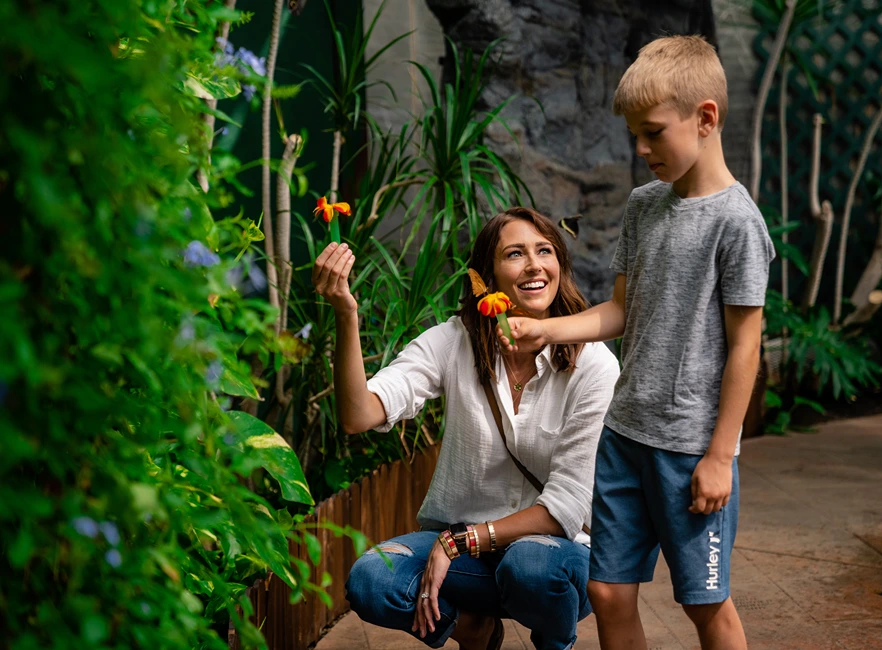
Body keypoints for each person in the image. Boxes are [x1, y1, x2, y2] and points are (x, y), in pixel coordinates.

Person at [499, 36, 775, 650]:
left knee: (706, 604)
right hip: (624, 438)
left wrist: (719, 456)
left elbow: (746, 349)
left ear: (705, 118)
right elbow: (621, 310)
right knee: (607, 592)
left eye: (653, 132)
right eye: (634, 136)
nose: (642, 149)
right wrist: (547, 328)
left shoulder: (738, 224)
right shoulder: (644, 206)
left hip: (689, 449)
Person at [312, 207, 620, 650]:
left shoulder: (593, 363)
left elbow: (565, 508)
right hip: (466, 554)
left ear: (560, 267)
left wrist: (459, 542)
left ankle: (555, 642)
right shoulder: (453, 341)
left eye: (545, 251)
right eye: (515, 253)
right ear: (486, 278)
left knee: (531, 565)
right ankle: (470, 627)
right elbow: (359, 414)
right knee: (373, 578)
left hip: (556, 553)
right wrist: (347, 313)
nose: (535, 265)